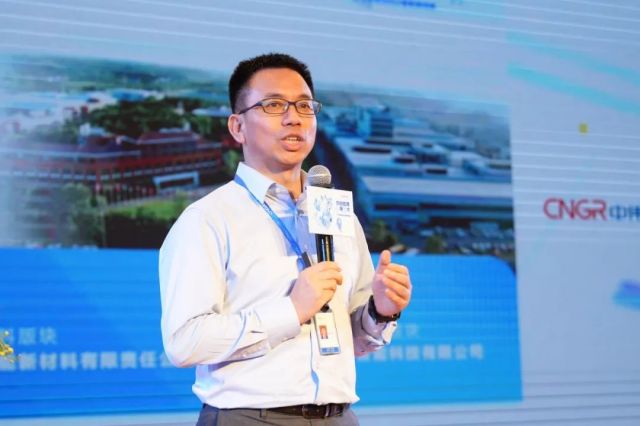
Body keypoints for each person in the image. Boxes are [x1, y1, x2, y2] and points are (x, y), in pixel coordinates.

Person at [159, 53, 412, 426]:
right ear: (238, 126)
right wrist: (291, 311)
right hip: (248, 417)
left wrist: (380, 311)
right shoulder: (207, 219)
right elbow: (185, 342)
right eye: (274, 105)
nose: (294, 118)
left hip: (339, 415)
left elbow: (354, 341)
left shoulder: (338, 215)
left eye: (305, 106)